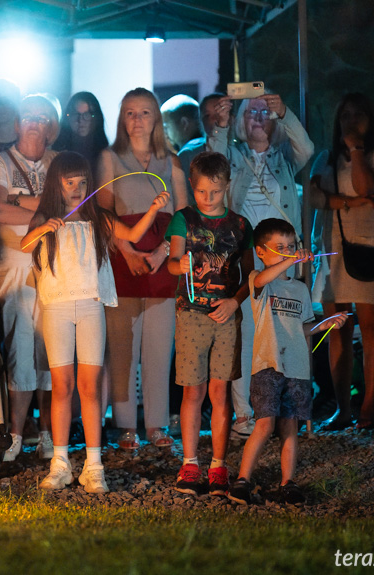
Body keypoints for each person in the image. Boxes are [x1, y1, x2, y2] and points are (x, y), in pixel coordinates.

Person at [21, 152, 170, 492]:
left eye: (82, 182)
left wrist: (153, 209)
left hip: (91, 306)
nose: (76, 188)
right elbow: (25, 243)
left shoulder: (98, 217)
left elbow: (131, 234)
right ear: (56, 184)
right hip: (57, 307)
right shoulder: (47, 216)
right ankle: (60, 462)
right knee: (62, 385)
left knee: (90, 387)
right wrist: (44, 227)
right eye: (69, 182)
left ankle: (93, 464)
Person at [207, 91, 314, 441]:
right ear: (240, 119)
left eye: (264, 111)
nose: (257, 117)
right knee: (246, 336)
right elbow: (213, 165)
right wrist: (220, 127)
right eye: (250, 111)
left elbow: (307, 148)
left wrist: (285, 112)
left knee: (288, 334)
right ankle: (245, 415)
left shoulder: (284, 157)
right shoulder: (234, 154)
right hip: (247, 259)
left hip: (283, 257)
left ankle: (289, 411)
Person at [227, 219, 346, 505]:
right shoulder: (259, 279)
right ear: (261, 252)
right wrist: (287, 260)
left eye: (291, 247)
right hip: (268, 365)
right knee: (265, 424)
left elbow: (303, 328)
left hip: (296, 368)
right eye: (279, 248)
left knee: (290, 426)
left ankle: (288, 482)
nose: (288, 253)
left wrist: (326, 324)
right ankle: (243, 479)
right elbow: (262, 279)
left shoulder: (301, 290)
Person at [97, 87, 188, 450]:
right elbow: (103, 213)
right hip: (123, 258)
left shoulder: (173, 161)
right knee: (122, 347)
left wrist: (163, 252)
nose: (137, 119)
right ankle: (125, 427)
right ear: (122, 118)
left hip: (163, 261)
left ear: (156, 118)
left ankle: (156, 425)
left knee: (158, 346)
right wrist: (128, 250)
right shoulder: (110, 158)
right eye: (130, 112)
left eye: (145, 112)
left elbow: (182, 215)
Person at [0, 94, 60, 461]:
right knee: (20, 348)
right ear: (16, 123)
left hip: (56, 265)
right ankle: (14, 433)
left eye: (42, 118)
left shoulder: (61, 163)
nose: (33, 122)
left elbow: (73, 207)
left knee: (50, 349)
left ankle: (46, 434)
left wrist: (20, 202)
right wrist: (47, 207)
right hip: (13, 266)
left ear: (51, 127)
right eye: (27, 115)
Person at [165, 152, 253, 496]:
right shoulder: (182, 220)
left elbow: (251, 275)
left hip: (226, 316)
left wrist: (235, 301)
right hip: (191, 314)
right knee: (193, 390)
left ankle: (218, 463)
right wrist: (181, 266)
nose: (208, 199)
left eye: (215, 192)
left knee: (220, 391)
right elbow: (172, 262)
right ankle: (189, 463)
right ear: (193, 186)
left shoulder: (241, 226)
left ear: (227, 187)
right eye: (202, 192)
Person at [310, 93, 374, 431]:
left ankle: (369, 406)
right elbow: (314, 198)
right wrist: (349, 203)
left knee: (370, 327)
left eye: (358, 114)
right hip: (332, 248)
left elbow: (366, 185)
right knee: (336, 328)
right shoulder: (324, 159)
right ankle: (342, 408)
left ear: (371, 119)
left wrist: (356, 150)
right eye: (345, 115)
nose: (351, 121)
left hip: (369, 246)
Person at [52, 91, 109, 173]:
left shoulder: (108, 156)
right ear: (68, 117)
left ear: (97, 118)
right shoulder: (56, 154)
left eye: (87, 114)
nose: (80, 120)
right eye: (75, 114)